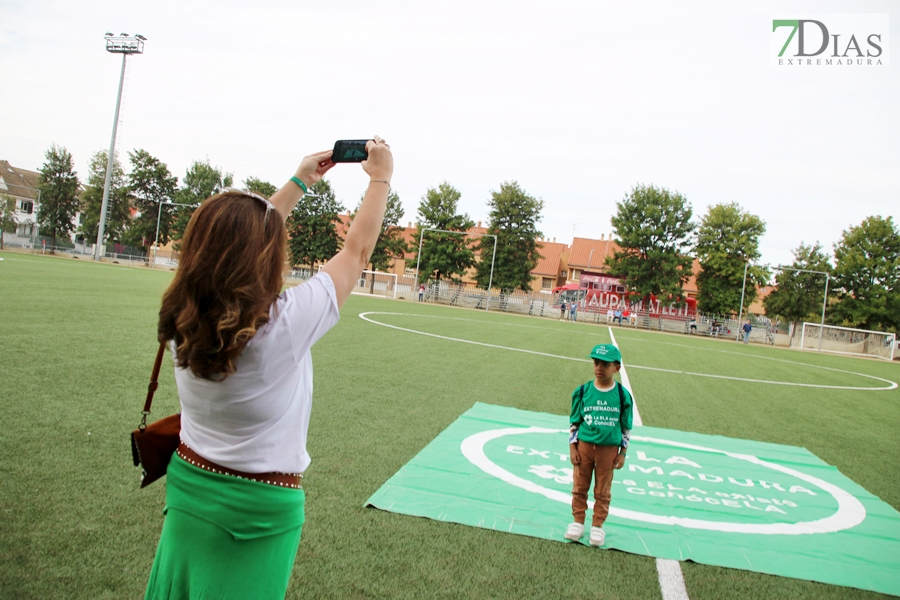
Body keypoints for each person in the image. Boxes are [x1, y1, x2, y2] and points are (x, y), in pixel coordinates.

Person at [143, 138, 393, 599]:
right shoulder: (282, 324)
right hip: (256, 512)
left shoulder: (180, 313)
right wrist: (381, 178)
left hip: (189, 489)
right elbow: (357, 252)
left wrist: (300, 181)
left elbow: (234, 246)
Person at [564, 344, 633, 547]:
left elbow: (626, 427)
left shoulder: (621, 395)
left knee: (602, 490)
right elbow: (575, 422)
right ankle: (578, 521)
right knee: (579, 486)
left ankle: (597, 525)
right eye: (596, 363)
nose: (599, 368)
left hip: (608, 451)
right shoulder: (584, 391)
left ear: (616, 368)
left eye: (605, 364)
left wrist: (623, 452)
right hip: (584, 447)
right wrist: (572, 447)